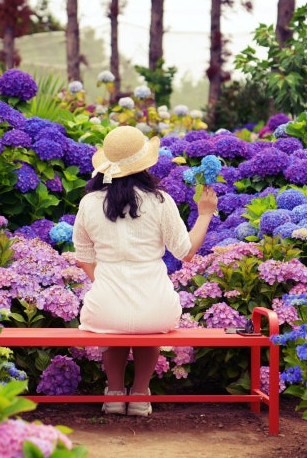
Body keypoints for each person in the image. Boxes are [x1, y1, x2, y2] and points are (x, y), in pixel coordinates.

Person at [72, 125, 218, 417]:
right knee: (146, 323)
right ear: (143, 165)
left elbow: (84, 258)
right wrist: (204, 214)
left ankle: (114, 393)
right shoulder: (160, 201)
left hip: (105, 308)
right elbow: (186, 252)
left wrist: (106, 284)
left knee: (113, 322)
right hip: (156, 306)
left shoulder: (89, 203)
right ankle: (139, 394)